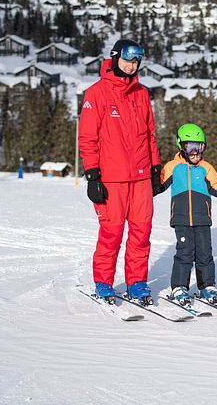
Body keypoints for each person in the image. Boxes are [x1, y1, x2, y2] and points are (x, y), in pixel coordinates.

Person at [78, 39, 162, 304]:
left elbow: (149, 134)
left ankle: (137, 282)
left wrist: (155, 167)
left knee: (141, 232)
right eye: (127, 60)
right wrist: (92, 175)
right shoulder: (97, 93)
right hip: (111, 179)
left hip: (140, 178)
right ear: (115, 59)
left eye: (135, 62)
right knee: (111, 232)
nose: (131, 65)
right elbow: (87, 138)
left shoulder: (141, 93)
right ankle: (104, 282)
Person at [156, 124, 217, 306]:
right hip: (181, 219)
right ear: (181, 145)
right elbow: (158, 185)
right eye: (191, 147)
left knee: (205, 253)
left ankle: (207, 285)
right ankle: (179, 286)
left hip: (202, 218)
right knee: (185, 253)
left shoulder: (206, 168)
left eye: (200, 146)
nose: (196, 151)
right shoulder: (173, 167)